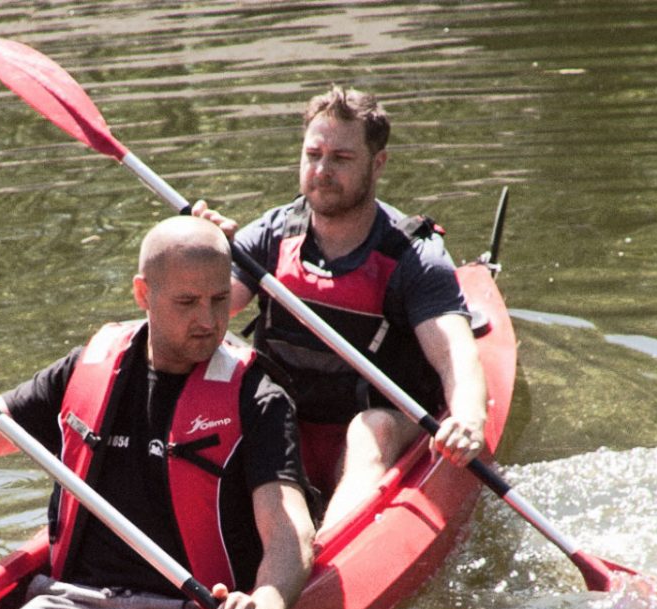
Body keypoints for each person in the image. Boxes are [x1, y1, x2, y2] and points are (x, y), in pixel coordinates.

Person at [0, 216, 315, 609]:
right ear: (143, 293)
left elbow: (291, 534)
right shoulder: (86, 369)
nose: (207, 320)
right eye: (187, 302)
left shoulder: (258, 398)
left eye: (219, 299)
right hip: (69, 608)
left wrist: (267, 602)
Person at [196, 86, 488, 530]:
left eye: (341, 158)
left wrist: (468, 417)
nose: (322, 170)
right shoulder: (272, 235)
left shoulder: (414, 257)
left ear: (378, 163)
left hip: (382, 426)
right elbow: (206, 315)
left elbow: (456, 356)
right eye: (313, 155)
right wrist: (204, 255)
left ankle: (328, 554)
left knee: (369, 429)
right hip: (285, 421)